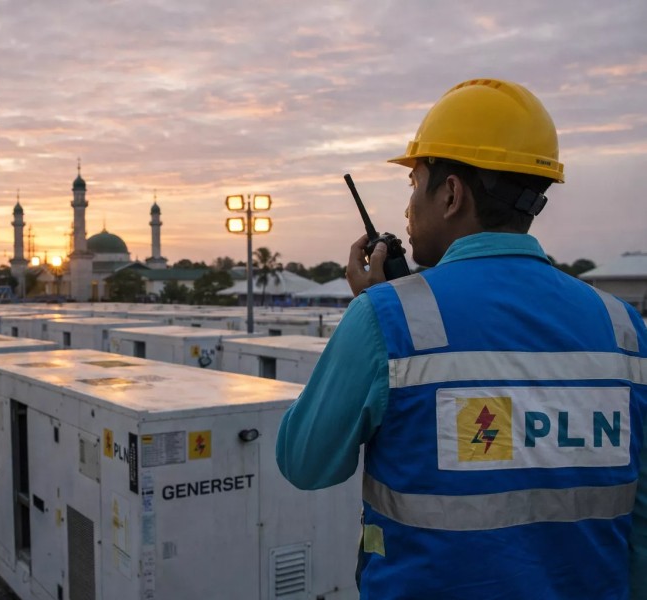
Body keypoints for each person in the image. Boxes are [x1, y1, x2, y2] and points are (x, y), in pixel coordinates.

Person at [275, 78, 647, 599]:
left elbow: (305, 463)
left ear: (451, 194)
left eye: (414, 184)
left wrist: (372, 311)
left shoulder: (384, 318)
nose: (407, 210)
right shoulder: (625, 329)